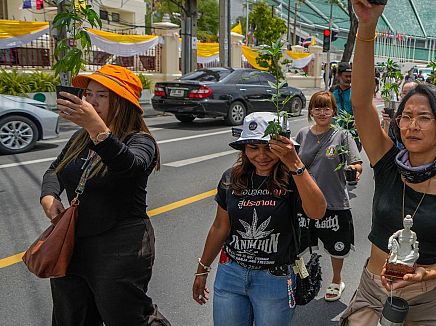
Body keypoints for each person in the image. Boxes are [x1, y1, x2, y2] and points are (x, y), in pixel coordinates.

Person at [340, 0, 436, 325]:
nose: (411, 125)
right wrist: (366, 28)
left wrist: (430, 273)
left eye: (423, 117)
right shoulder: (385, 161)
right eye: (405, 116)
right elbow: (359, 103)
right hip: (373, 292)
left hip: (428, 300)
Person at [40, 64, 163, 324]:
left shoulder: (140, 141)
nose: (91, 101)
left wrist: (96, 128)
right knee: (71, 316)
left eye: (102, 96)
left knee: (126, 317)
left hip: (120, 246)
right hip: (73, 243)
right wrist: (49, 198)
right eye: (89, 94)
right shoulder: (79, 138)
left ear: (122, 102)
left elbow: (129, 166)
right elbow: (54, 171)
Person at [193, 112, 327, 325]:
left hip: (274, 279)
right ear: (244, 150)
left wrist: (295, 165)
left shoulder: (294, 178)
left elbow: (318, 212)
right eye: (253, 147)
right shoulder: (231, 177)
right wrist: (202, 271)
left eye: (269, 148)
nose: (261, 156)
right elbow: (220, 227)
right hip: (231, 274)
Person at [295, 92, 363, 302]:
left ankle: (336, 280)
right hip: (303, 203)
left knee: (336, 246)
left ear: (334, 111)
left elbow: (356, 162)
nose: (322, 113)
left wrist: (354, 169)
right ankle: (302, 278)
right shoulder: (302, 135)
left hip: (334, 202)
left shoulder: (342, 135)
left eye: (327, 108)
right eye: (317, 108)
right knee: (301, 245)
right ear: (311, 111)